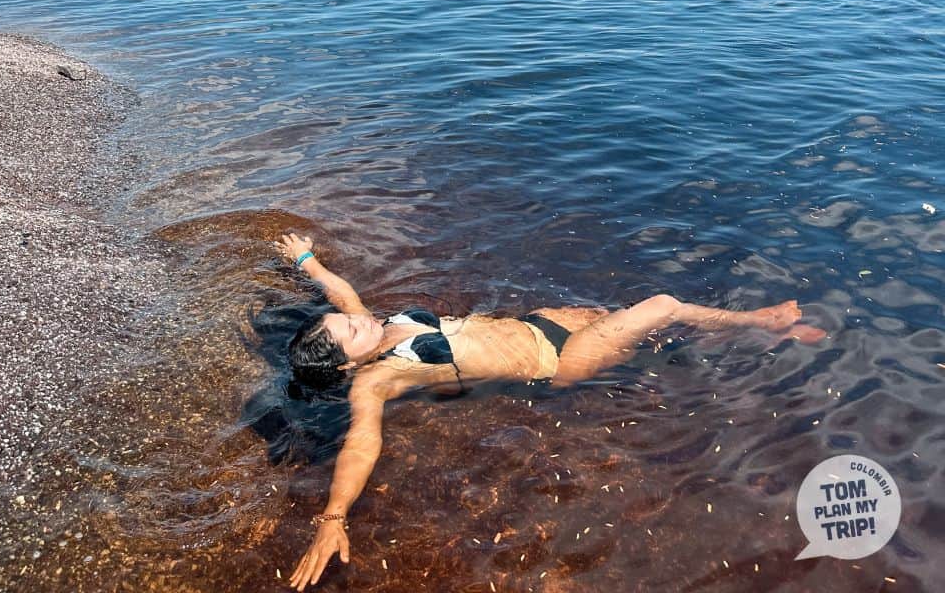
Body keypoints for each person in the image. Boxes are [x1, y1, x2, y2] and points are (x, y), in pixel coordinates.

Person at [274, 232, 825, 590]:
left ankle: (753, 338)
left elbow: (341, 294)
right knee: (662, 309)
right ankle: (764, 324)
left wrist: (305, 260)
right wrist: (333, 517)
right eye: (351, 332)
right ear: (347, 365)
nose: (361, 320)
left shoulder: (371, 328)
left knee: (657, 336)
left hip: (546, 324)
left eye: (351, 321)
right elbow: (362, 442)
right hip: (558, 361)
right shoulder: (375, 378)